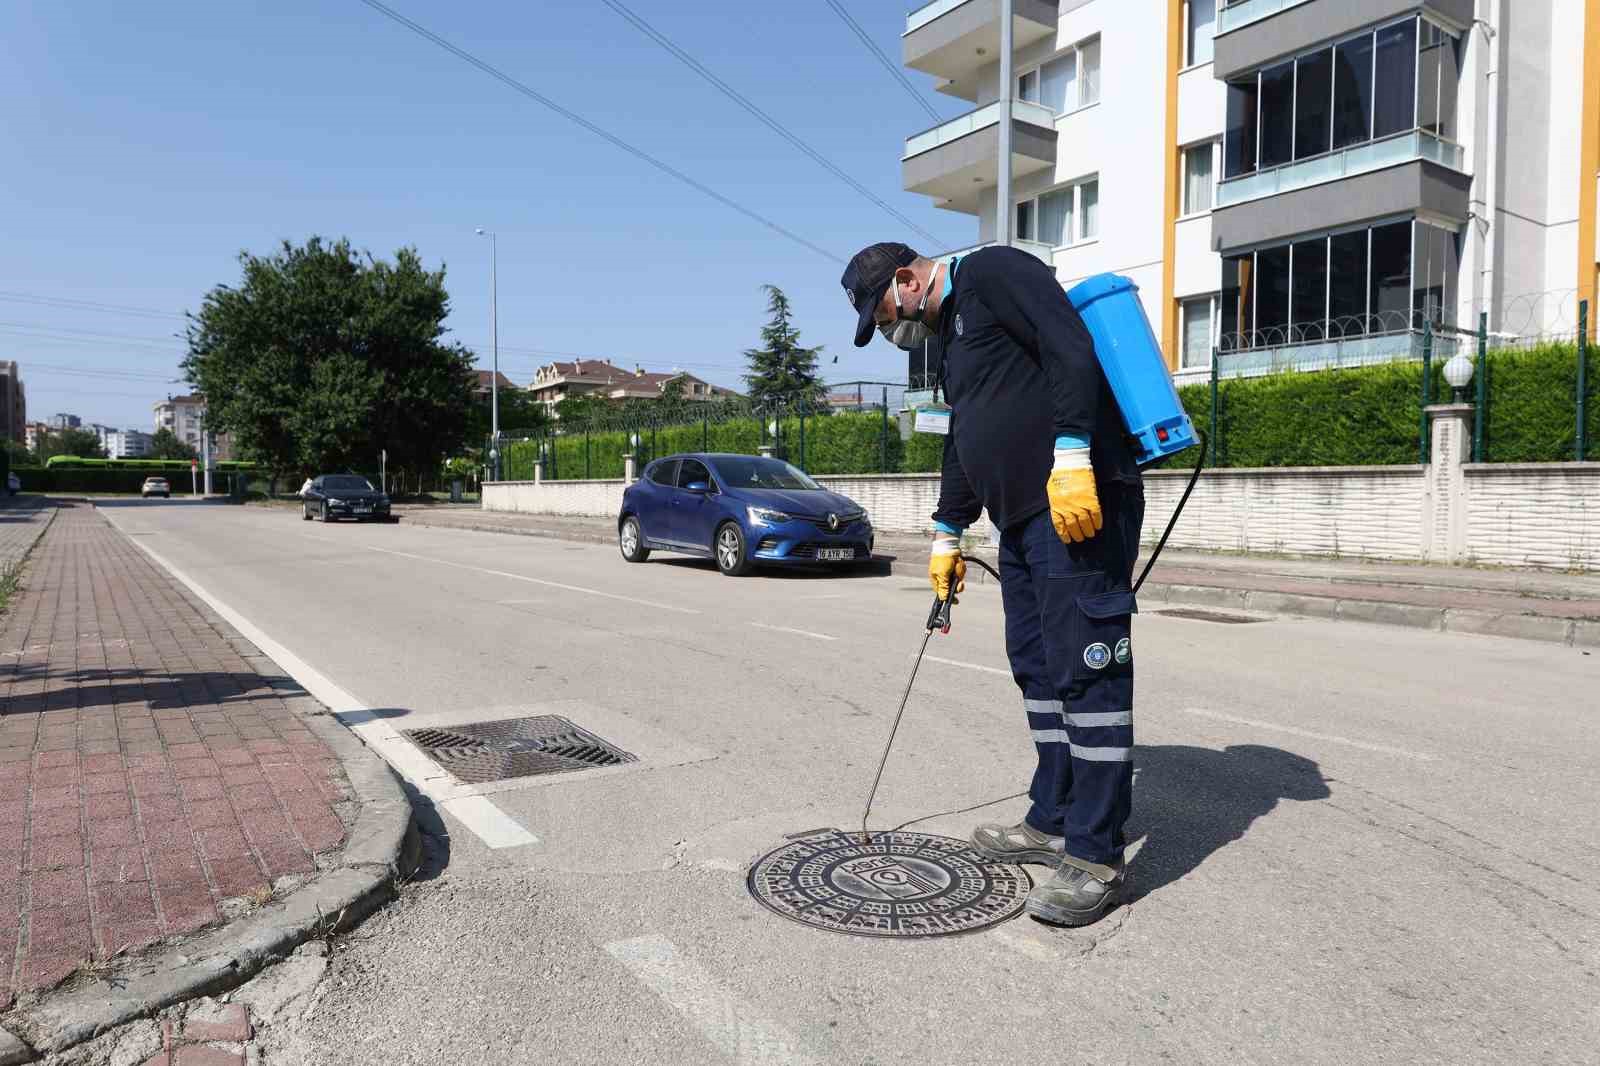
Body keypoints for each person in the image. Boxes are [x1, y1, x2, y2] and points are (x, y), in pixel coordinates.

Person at [841, 242, 1144, 927]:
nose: (891, 332)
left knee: (1086, 670)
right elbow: (962, 436)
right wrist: (948, 530)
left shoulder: (995, 272)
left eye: (885, 315)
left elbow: (1069, 343)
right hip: (1019, 522)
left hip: (1076, 502)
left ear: (907, 279)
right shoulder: (951, 337)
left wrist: (1072, 452)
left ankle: (1097, 855)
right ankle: (1054, 816)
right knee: (1035, 664)